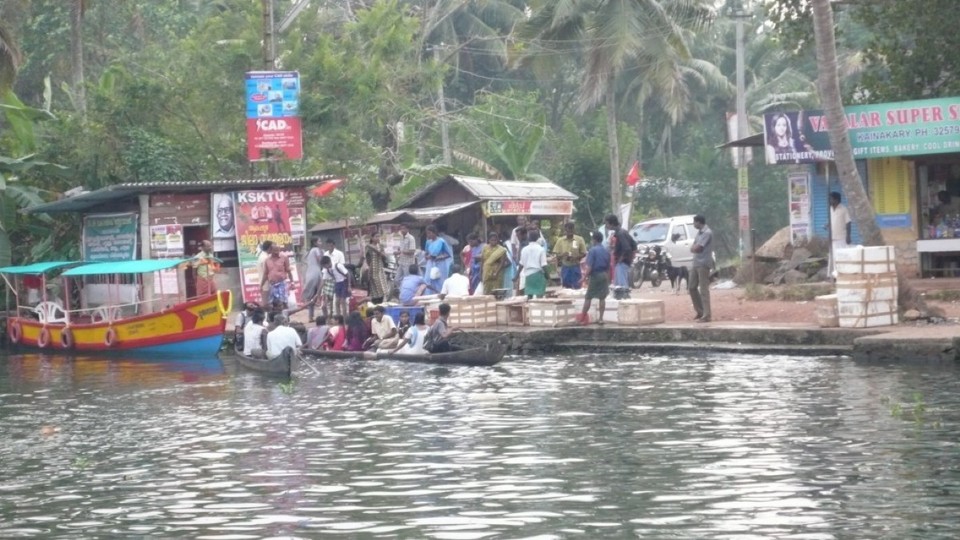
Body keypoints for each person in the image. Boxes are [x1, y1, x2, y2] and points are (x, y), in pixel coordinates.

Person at [580, 231, 610, 325]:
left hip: (595, 275)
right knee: (602, 298)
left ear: (594, 240)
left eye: (592, 239)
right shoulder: (606, 250)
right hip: (604, 274)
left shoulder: (593, 250)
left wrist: (584, 278)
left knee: (588, 297)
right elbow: (609, 266)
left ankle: (582, 318)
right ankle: (601, 319)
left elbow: (589, 267)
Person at [689, 214, 714, 323]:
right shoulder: (699, 233)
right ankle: (700, 311)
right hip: (696, 263)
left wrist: (694, 248)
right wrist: (694, 248)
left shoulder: (707, 233)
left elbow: (698, 248)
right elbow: (693, 247)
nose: (694, 224)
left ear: (699, 222)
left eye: (694, 222)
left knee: (703, 289)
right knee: (691, 287)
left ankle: (707, 315)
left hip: (703, 263)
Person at [605, 214, 636, 289]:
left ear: (611, 224)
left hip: (622, 262)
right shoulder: (623, 232)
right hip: (624, 261)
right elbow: (633, 245)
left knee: (622, 286)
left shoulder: (620, 234)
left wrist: (620, 259)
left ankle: (625, 298)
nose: (606, 226)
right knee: (618, 285)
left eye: (607, 224)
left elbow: (627, 248)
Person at [553, 222, 586, 289]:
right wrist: (563, 255)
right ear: (565, 231)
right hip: (565, 267)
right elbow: (556, 255)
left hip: (575, 266)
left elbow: (584, 253)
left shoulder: (579, 239)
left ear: (574, 230)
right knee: (566, 288)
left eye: (571, 230)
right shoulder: (560, 240)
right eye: (568, 231)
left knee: (577, 287)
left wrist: (576, 257)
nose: (569, 232)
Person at [516, 230, 548, 299]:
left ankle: (529, 308)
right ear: (538, 238)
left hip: (528, 275)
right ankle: (538, 308)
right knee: (539, 295)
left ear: (528, 238)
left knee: (529, 295)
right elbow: (544, 265)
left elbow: (521, 264)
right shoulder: (541, 249)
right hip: (538, 274)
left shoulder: (524, 249)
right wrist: (547, 276)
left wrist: (516, 275)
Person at [827, 191, 852, 279]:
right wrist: (827, 225)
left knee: (841, 257)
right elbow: (831, 221)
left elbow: (848, 223)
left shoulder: (843, 209)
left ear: (836, 199)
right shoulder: (830, 209)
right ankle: (834, 276)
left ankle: (842, 274)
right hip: (832, 237)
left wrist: (848, 236)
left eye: (831, 199)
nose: (829, 200)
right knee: (833, 258)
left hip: (841, 238)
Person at [261, 243, 293, 311]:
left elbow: (288, 271)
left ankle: (286, 317)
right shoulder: (267, 260)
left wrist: (292, 282)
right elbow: (265, 274)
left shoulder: (284, 257)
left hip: (282, 284)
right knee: (273, 303)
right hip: (272, 284)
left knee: (284, 302)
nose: (277, 252)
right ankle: (275, 318)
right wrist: (261, 285)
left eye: (278, 250)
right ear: (271, 250)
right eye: (275, 250)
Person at [423, 225, 453, 293]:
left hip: (440, 264)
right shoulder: (428, 242)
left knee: (439, 280)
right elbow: (426, 252)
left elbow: (448, 254)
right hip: (430, 263)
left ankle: (440, 294)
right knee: (428, 280)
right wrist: (427, 256)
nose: (428, 235)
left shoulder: (441, 241)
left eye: (429, 233)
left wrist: (438, 257)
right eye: (427, 233)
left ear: (434, 233)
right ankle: (429, 295)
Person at [322, 239, 347, 316]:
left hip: (339, 279)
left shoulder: (339, 254)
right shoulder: (325, 254)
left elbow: (343, 267)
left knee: (341, 301)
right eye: (328, 245)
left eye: (331, 245)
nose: (329, 247)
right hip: (329, 278)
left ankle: (342, 317)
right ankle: (334, 316)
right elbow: (324, 268)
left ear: (333, 245)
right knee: (329, 300)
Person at [302, 238, 325, 321]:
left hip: (311, 273)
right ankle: (323, 315)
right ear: (315, 243)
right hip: (316, 273)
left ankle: (310, 316)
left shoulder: (311, 251)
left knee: (312, 295)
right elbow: (321, 260)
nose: (321, 243)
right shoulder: (316, 250)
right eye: (319, 241)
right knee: (320, 293)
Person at [364, 234, 391, 303]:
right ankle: (377, 303)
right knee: (376, 289)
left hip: (380, 268)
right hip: (373, 269)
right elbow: (367, 258)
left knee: (383, 288)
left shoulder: (380, 246)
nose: (378, 238)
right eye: (376, 236)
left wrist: (376, 250)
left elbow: (384, 256)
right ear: (372, 238)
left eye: (379, 236)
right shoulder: (368, 247)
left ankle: (380, 303)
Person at [481, 232, 508, 296]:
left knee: (497, 289)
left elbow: (502, 262)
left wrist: (496, 272)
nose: (494, 242)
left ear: (497, 240)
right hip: (487, 271)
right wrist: (481, 272)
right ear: (489, 240)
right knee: (487, 289)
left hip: (497, 271)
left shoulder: (501, 249)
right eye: (492, 240)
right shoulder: (485, 248)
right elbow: (482, 260)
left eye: (495, 240)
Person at [257, 240, 274, 307]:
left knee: (267, 303)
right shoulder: (265, 258)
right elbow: (266, 273)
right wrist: (262, 285)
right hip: (266, 284)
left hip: (264, 283)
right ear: (269, 248)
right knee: (266, 304)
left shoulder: (262, 256)